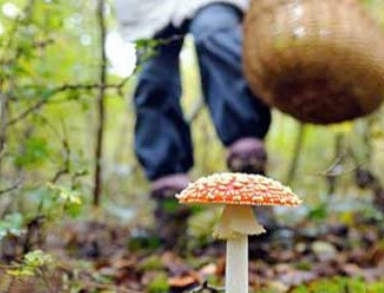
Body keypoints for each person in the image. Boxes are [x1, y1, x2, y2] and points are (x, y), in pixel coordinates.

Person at [115, 0, 271, 246]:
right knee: (153, 80)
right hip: (148, 8)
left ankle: (252, 190)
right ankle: (169, 207)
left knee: (215, 35)